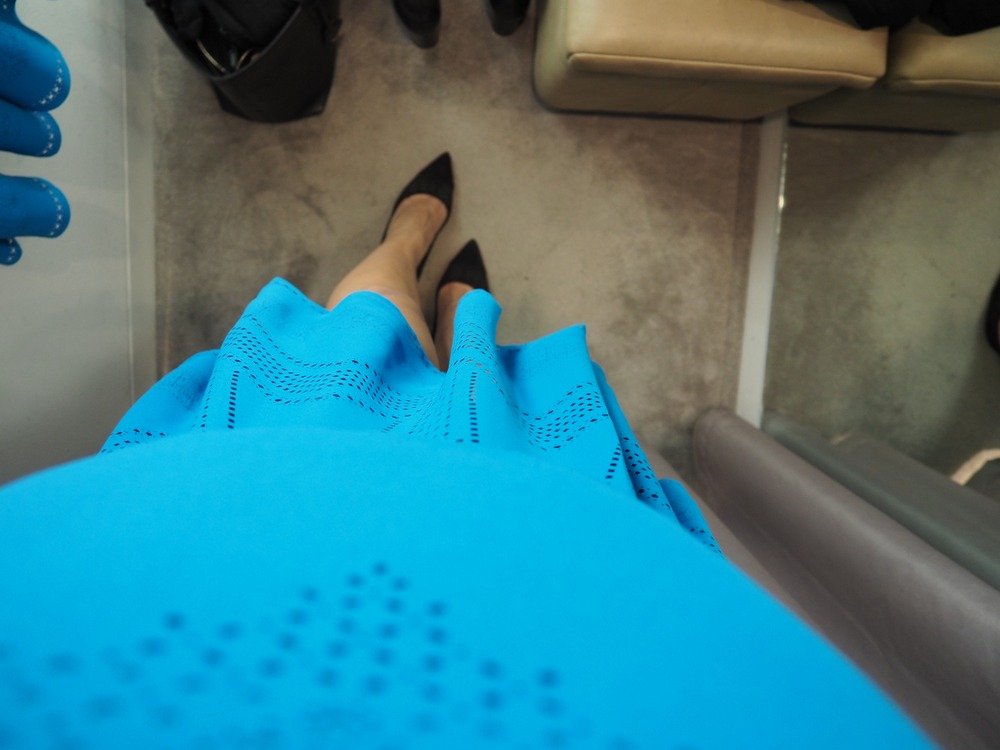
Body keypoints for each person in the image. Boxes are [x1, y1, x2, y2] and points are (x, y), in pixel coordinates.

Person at [0, 155, 927, 747]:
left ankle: (405, 246)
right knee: (420, 398)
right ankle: (452, 315)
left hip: (200, 551)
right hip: (571, 591)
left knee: (355, 349)